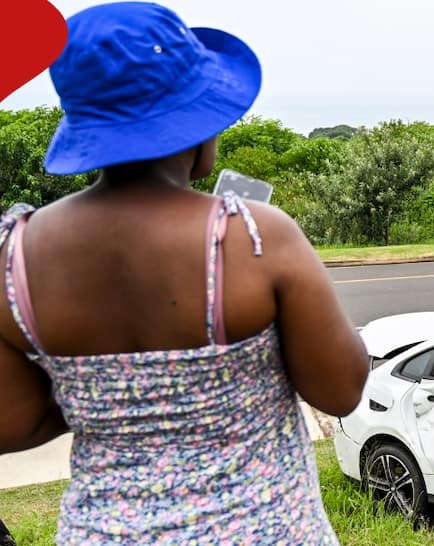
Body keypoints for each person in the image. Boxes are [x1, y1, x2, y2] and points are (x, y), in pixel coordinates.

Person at [0, 3, 368, 544]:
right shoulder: (255, 236)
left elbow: (14, 424)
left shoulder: (13, 257)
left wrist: (116, 400)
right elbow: (340, 390)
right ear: (195, 126)